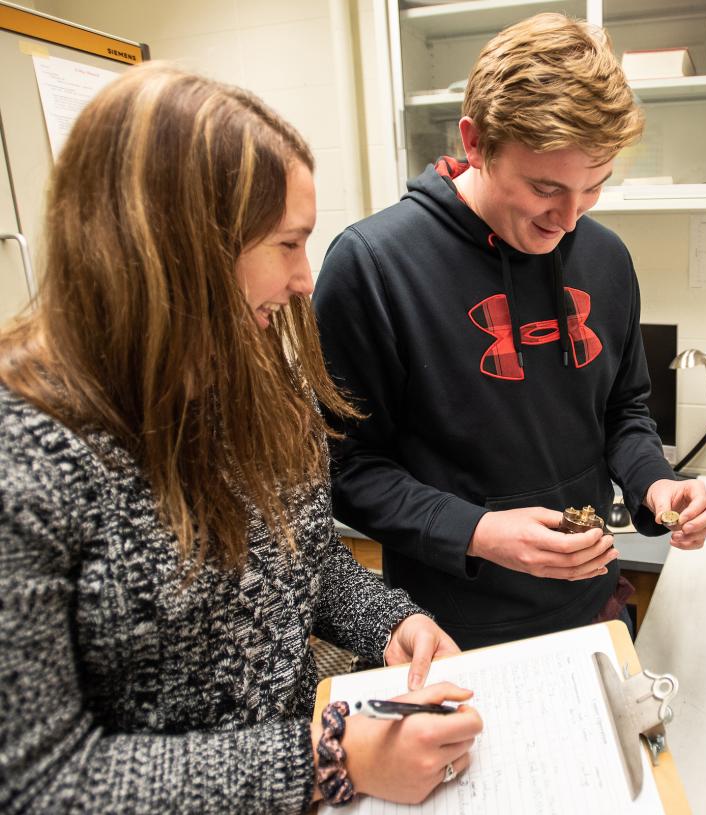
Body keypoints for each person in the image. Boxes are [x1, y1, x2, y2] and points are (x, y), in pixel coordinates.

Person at [0, 65, 482, 813]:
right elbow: (40, 782)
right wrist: (323, 762)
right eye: (286, 243)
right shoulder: (27, 453)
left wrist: (392, 620)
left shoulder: (251, 379)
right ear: (174, 246)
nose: (304, 277)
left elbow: (309, 559)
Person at [313, 13, 706, 651]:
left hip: (592, 608)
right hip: (447, 633)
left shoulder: (606, 258)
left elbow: (624, 412)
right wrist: (478, 531)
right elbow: (346, 470)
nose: (568, 220)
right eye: (545, 189)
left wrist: (656, 484)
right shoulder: (372, 266)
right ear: (474, 142)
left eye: (594, 188)